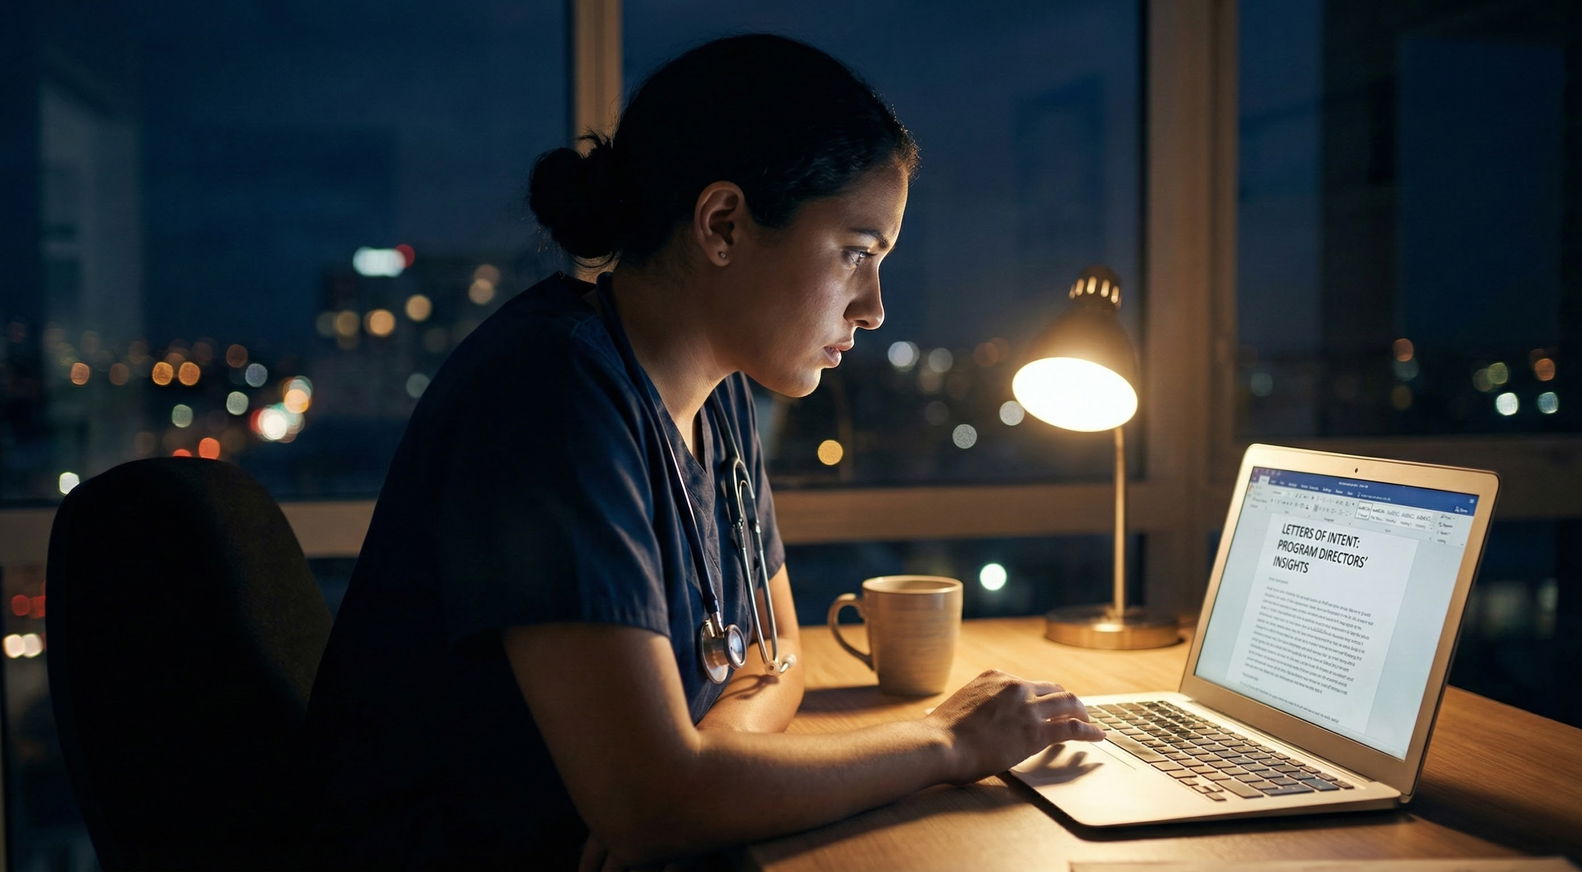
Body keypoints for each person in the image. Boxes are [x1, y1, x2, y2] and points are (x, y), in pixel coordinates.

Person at [301, 33, 1104, 870]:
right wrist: (945, 742)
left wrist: (694, 775)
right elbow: (660, 801)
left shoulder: (715, 392)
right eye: (857, 254)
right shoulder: (556, 396)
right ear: (723, 225)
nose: (873, 308)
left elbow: (772, 658)